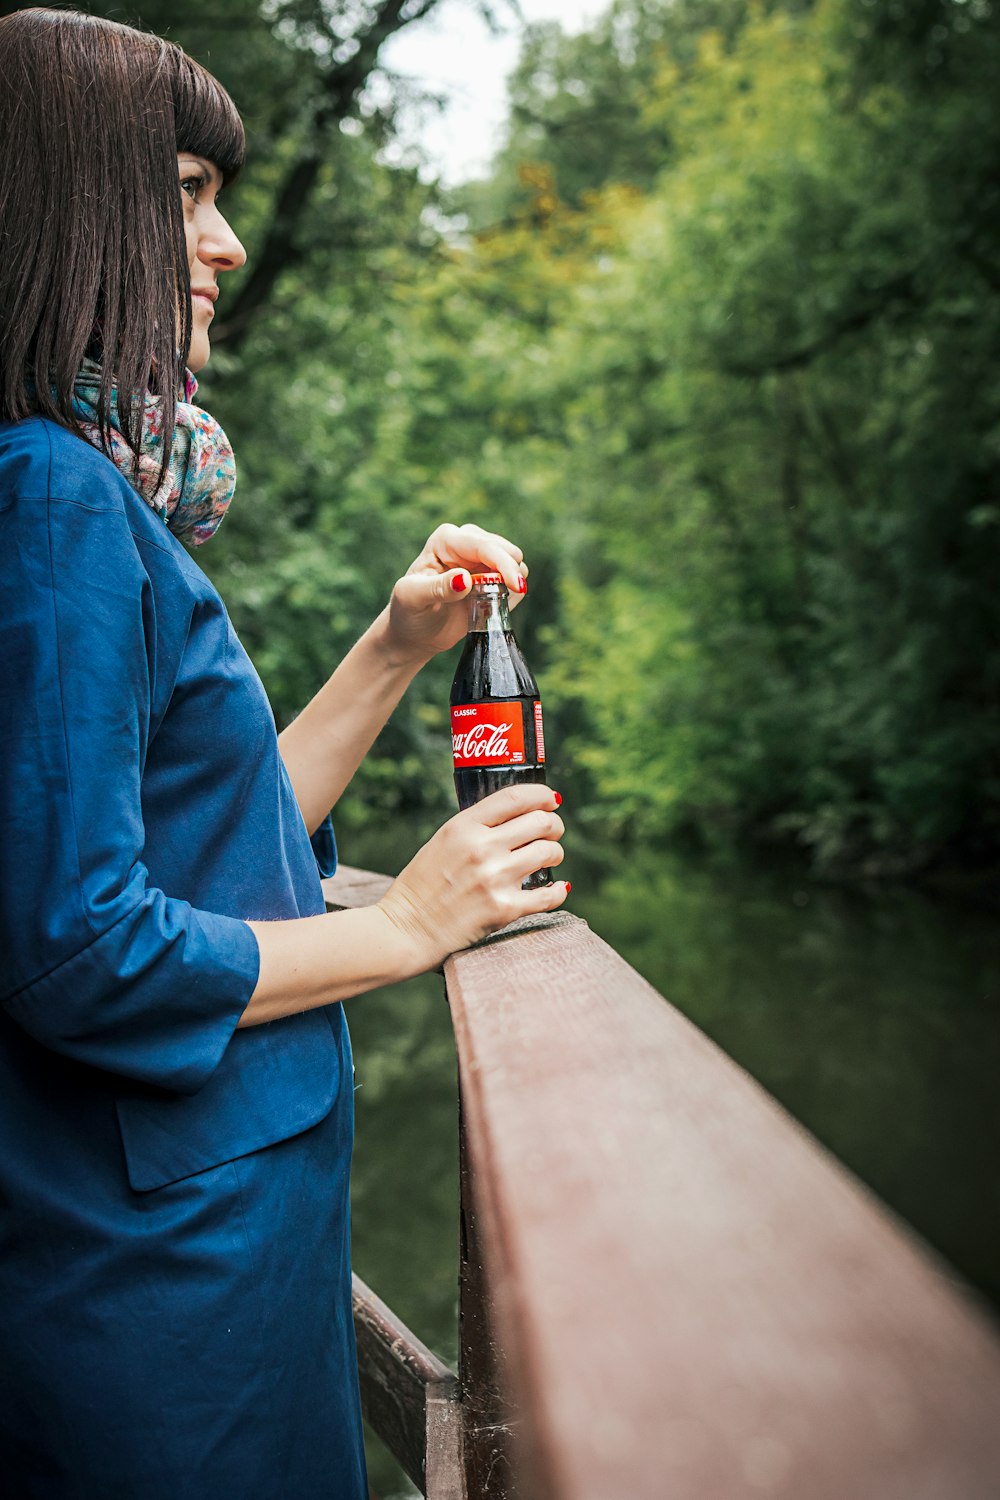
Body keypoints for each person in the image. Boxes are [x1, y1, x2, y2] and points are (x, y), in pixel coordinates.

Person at [0, 9, 567, 1497]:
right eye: (188, 194)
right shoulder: (52, 498)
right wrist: (407, 924)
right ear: (69, 204)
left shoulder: (71, 493)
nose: (229, 242)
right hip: (160, 1304)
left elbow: (222, 844)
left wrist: (393, 647)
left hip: (220, 1267)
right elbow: (76, 949)